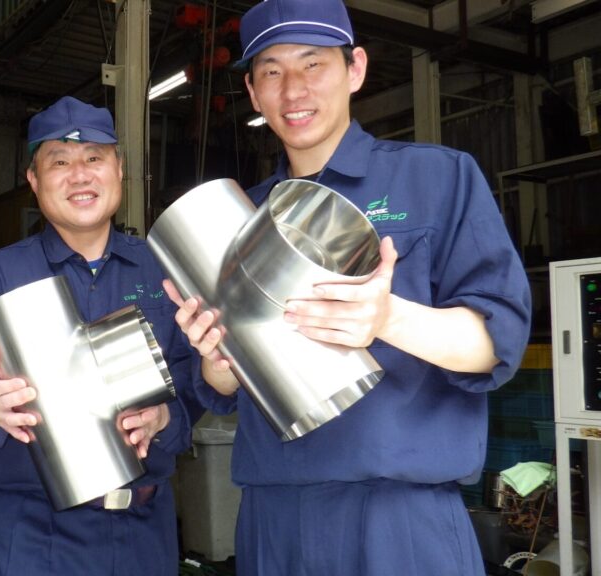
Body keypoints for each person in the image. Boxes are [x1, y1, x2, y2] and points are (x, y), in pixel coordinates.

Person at [164, 1, 533, 574]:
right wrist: (218, 357)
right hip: (272, 518)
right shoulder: (238, 219)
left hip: (399, 520)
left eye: (313, 63)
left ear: (355, 68)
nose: (293, 89)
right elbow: (221, 388)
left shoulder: (437, 178)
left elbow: (498, 341)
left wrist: (387, 319)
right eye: (271, 71)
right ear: (254, 93)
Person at [0, 96, 203, 575]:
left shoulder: (162, 269)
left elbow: (195, 381)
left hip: (144, 531)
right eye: (59, 162)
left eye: (94, 158)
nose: (80, 175)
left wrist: (165, 417)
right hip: (33, 534)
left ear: (119, 170)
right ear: (33, 179)